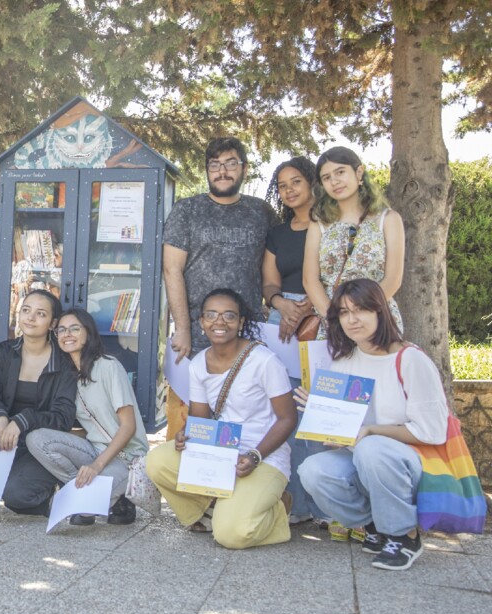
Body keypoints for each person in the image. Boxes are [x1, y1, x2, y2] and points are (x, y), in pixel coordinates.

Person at [297, 279, 448, 571]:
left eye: (361, 310)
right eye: (343, 312)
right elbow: (347, 433)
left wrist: (369, 432)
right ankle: (374, 526)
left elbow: (432, 431)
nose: (352, 320)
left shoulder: (410, 359)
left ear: (381, 311)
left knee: (372, 448)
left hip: (413, 462)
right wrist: (324, 416)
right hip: (366, 457)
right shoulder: (345, 361)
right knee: (313, 470)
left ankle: (405, 534)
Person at [145, 289, 297, 549]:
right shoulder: (199, 363)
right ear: (202, 322)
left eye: (229, 316)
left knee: (231, 535)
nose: (219, 322)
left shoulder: (264, 362)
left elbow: (287, 419)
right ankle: (209, 513)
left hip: (263, 456)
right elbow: (201, 421)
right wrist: (186, 435)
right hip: (224, 451)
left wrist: (255, 456)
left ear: (241, 323)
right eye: (211, 315)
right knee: (158, 460)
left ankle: (279, 509)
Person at [0, 290, 78, 518]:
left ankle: (43, 489)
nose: (30, 318)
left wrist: (22, 420)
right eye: (26, 310)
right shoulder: (5, 351)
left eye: (40, 314)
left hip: (37, 447)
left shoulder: (64, 363)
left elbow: (63, 417)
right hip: (2, 439)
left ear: (53, 323)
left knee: (16, 497)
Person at [26, 308, 148, 525]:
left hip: (126, 457)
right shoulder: (69, 376)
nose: (67, 334)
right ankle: (82, 488)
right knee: (36, 438)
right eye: (61, 330)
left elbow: (127, 427)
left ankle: (117, 495)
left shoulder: (109, 366)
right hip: (94, 450)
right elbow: (92, 428)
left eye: (75, 328)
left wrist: (96, 466)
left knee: (81, 512)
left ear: (88, 333)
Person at [163, 137, 275, 362]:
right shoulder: (187, 210)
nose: (222, 171)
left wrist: (271, 303)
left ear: (245, 169)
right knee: (198, 397)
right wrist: (183, 329)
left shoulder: (262, 212)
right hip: (198, 333)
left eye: (231, 163)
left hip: (250, 331)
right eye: (214, 164)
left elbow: (273, 267)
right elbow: (171, 270)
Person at [262, 156, 329, 526]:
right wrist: (282, 304)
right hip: (281, 323)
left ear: (312, 184)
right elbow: (269, 282)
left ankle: (325, 507)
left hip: (321, 320)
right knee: (286, 410)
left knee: (317, 409)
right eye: (283, 185)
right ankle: (297, 504)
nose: (289, 190)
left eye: (296, 182)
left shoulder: (333, 225)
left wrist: (310, 309)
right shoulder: (278, 232)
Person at [303, 146, 405, 337]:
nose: (334, 181)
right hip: (332, 325)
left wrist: (362, 315)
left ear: (359, 172)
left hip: (378, 319)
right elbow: (310, 280)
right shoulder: (319, 223)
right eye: (326, 177)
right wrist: (336, 320)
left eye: (340, 172)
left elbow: (393, 279)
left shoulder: (388, 219)